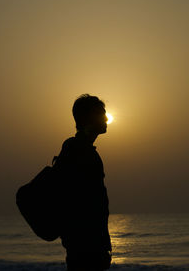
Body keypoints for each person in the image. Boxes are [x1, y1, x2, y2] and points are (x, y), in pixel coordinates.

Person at [55, 94, 112, 271]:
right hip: (85, 249)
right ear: (88, 117)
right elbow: (82, 202)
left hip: (86, 246)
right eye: (101, 113)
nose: (106, 118)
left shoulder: (80, 149)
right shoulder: (78, 150)